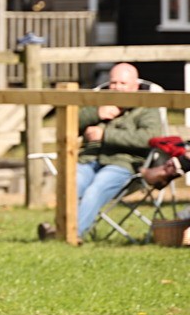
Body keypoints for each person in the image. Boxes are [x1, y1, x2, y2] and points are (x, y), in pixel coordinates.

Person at [38, 63, 161, 241]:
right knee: (71, 184)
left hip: (123, 164)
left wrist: (106, 134)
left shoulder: (147, 106)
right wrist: (96, 113)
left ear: (135, 86)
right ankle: (61, 231)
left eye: (122, 83)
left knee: (95, 190)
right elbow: (69, 123)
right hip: (89, 160)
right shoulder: (101, 100)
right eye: (113, 83)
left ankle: (70, 235)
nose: (116, 88)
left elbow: (150, 138)